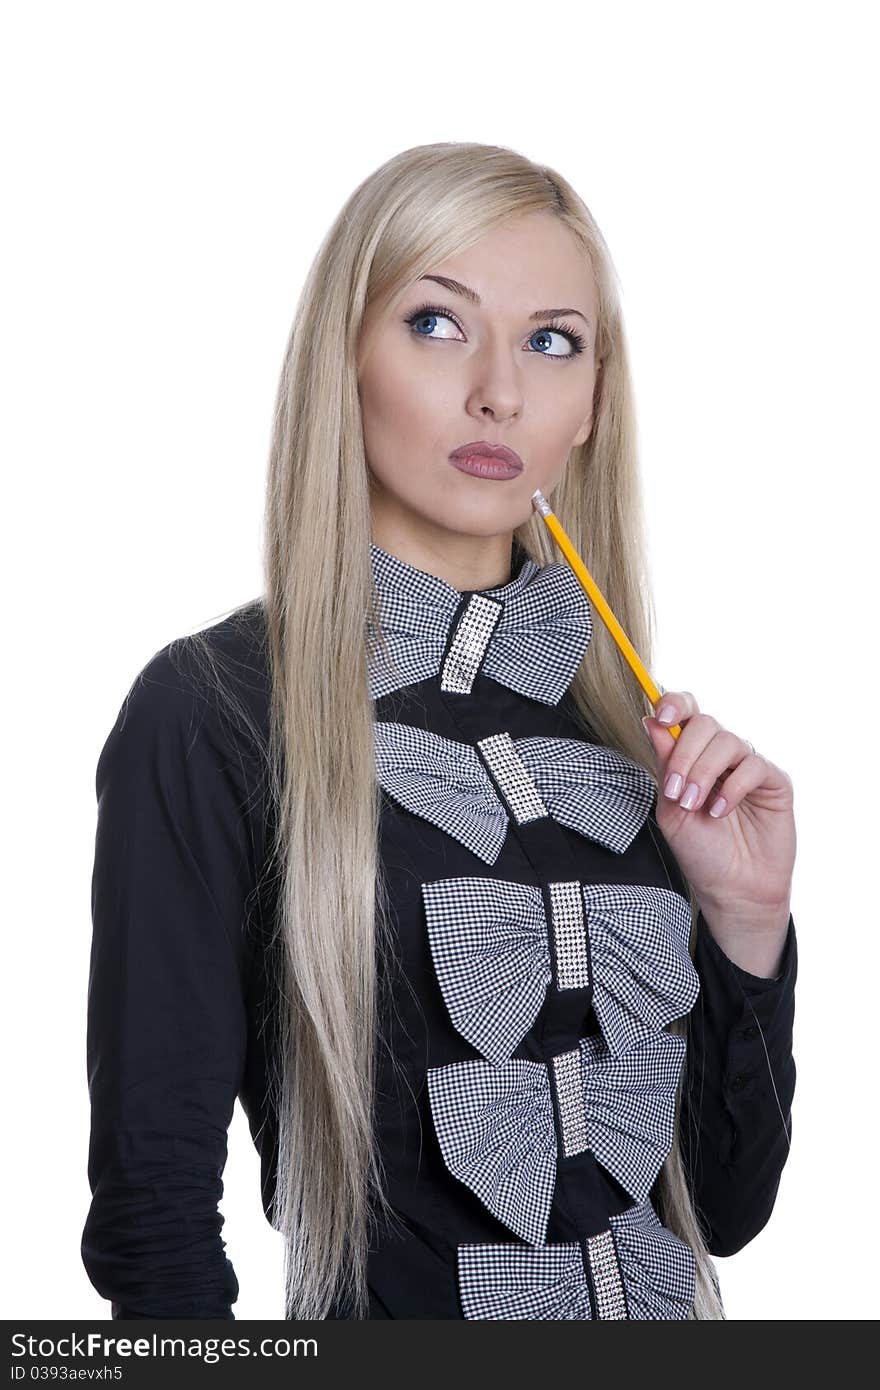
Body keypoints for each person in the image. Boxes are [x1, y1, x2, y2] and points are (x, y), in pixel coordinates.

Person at [80, 141, 798, 1321]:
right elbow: (153, 1215)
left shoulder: (628, 729)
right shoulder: (211, 708)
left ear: (591, 407)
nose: (499, 394)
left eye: (551, 341)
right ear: (343, 361)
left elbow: (725, 1207)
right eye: (434, 322)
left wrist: (746, 923)